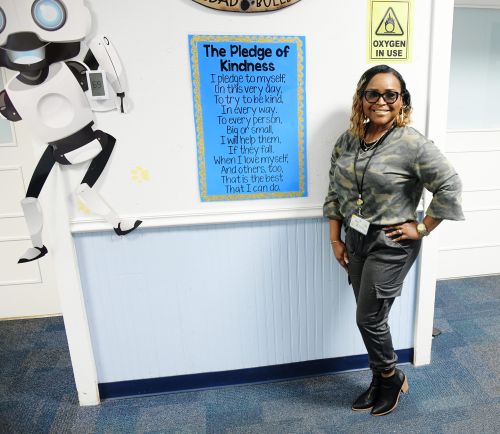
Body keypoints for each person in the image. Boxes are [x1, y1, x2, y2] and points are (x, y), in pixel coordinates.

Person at [323, 65, 464, 416]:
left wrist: (423, 228)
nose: (381, 101)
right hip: (355, 238)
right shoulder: (348, 140)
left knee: (368, 318)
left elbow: (450, 185)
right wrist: (335, 238)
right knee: (372, 316)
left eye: (391, 94)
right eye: (373, 93)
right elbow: (334, 192)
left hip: (391, 243)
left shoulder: (412, 143)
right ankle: (379, 376)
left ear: (402, 101)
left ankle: (390, 376)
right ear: (362, 98)